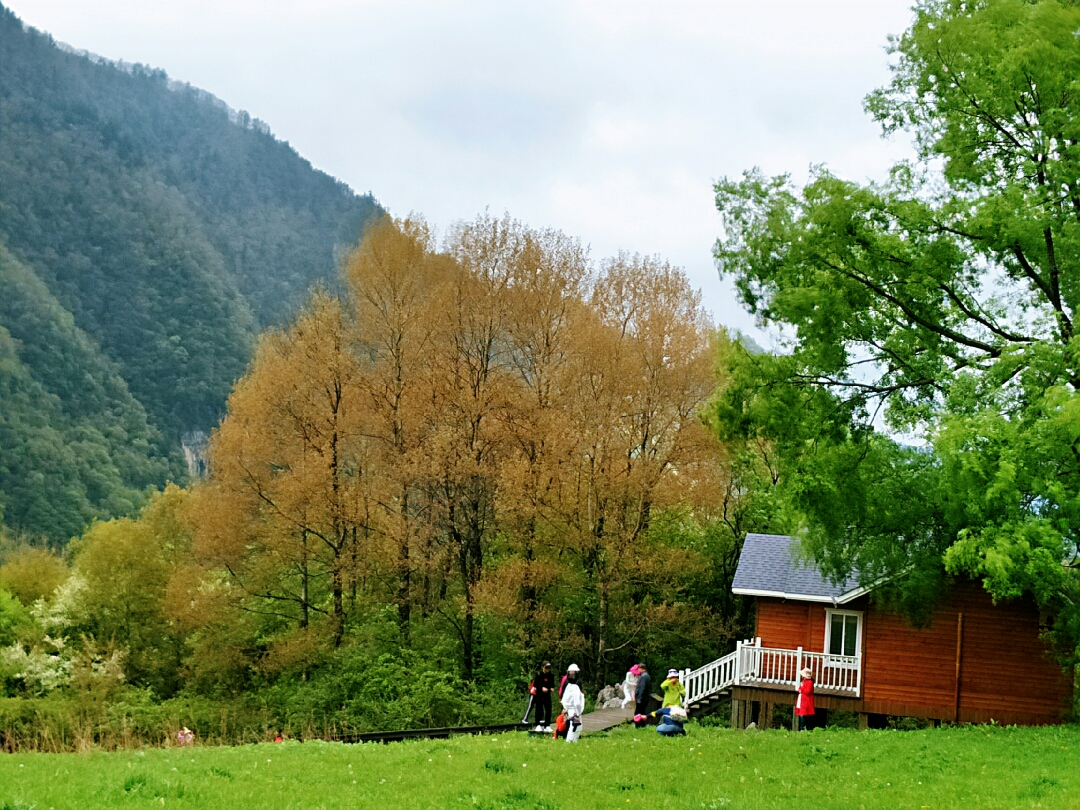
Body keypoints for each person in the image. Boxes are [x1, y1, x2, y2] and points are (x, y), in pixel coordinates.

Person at [527, 661, 555, 732]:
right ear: (543, 667)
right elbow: (536, 685)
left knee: (548, 710)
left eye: (549, 668)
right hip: (539, 695)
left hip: (547, 695)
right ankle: (538, 725)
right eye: (546, 667)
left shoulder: (551, 675)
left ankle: (547, 725)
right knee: (539, 709)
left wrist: (551, 688)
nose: (547, 669)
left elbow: (552, 684)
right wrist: (542, 688)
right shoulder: (539, 675)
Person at [560, 663, 585, 743]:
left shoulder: (568, 683)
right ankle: (569, 741)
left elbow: (563, 697)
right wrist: (578, 711)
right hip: (575, 709)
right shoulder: (574, 684)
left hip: (571, 708)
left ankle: (574, 741)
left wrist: (565, 707)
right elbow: (577, 701)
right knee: (574, 725)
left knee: (577, 725)